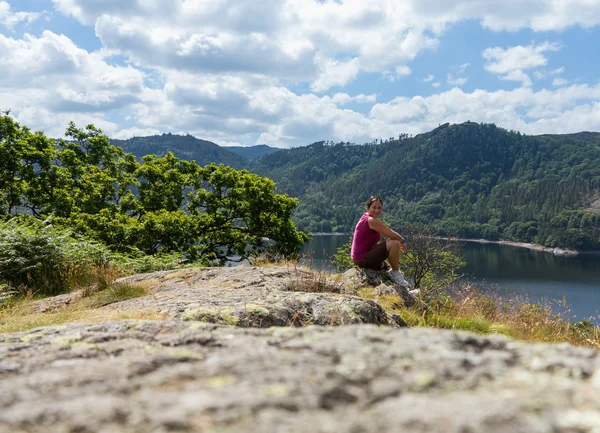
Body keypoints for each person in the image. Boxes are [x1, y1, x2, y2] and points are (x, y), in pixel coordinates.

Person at [350, 196, 417, 294]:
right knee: (394, 243)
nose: (377, 210)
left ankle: (405, 291)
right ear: (368, 208)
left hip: (363, 256)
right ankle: (396, 274)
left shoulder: (367, 218)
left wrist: (380, 261)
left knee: (388, 267)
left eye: (379, 208)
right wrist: (403, 241)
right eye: (374, 207)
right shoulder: (370, 220)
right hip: (362, 258)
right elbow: (390, 233)